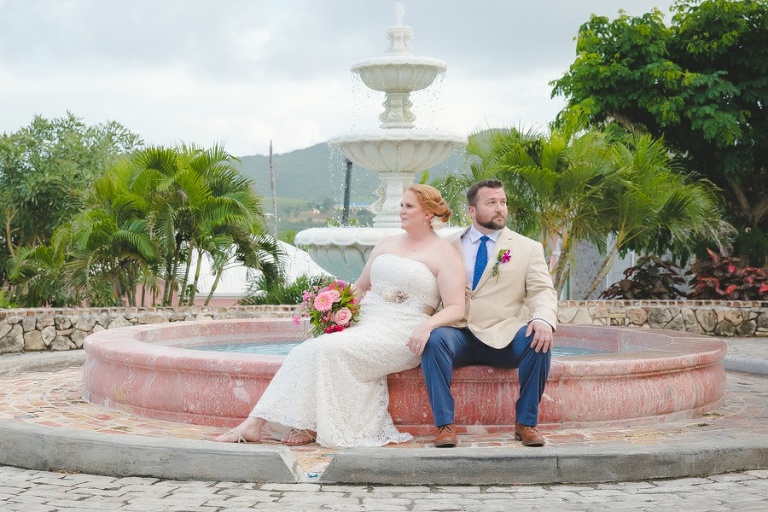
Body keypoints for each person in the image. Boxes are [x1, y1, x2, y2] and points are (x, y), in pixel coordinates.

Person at [215, 184, 466, 448]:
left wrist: (428, 325)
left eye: (408, 206)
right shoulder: (387, 244)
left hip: (404, 332)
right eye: (401, 204)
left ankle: (283, 425)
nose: (401, 210)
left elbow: (455, 307)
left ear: (428, 213)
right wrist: (334, 307)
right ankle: (258, 424)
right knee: (306, 349)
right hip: (367, 321)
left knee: (328, 348)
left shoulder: (445, 254)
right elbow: (360, 286)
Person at [421, 178, 558, 448]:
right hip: (458, 334)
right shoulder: (446, 246)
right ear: (472, 210)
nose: (500, 208)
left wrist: (542, 318)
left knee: (538, 340)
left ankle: (526, 423)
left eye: (503, 202)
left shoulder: (528, 248)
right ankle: (445, 426)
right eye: (491, 203)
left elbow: (542, 291)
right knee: (433, 339)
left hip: (504, 334)